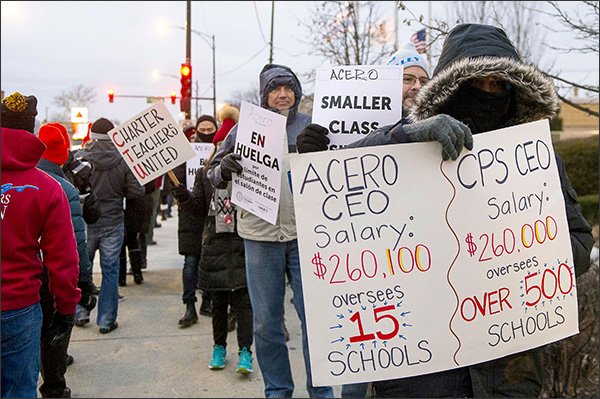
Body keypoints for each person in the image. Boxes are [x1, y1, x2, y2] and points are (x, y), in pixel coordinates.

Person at [297, 23, 594, 398]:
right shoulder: (407, 140)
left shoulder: (533, 159)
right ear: (451, 86)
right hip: (420, 369)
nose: (487, 93)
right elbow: (346, 171)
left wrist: (538, 255)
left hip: (509, 367)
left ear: (514, 91)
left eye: (498, 84)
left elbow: (580, 239)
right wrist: (402, 138)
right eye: (475, 83)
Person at [208, 63, 334, 398]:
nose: (282, 94)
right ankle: (277, 390)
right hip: (260, 237)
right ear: (264, 96)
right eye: (275, 89)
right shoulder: (243, 129)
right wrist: (224, 169)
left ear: (297, 92)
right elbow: (212, 176)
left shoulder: (312, 125)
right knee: (266, 323)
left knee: (315, 321)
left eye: (288, 88)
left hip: (308, 237)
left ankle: (320, 391)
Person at [338, 41, 432, 399]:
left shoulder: (440, 124)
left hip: (418, 259)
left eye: (423, 79)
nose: (416, 86)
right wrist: (313, 153)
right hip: (370, 261)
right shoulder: (360, 129)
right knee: (364, 353)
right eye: (407, 78)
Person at [1, 92, 80, 398]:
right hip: (19, 307)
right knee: (19, 390)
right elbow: (63, 259)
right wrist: (66, 307)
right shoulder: (48, 188)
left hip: (20, 305)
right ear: (31, 130)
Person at [172, 117, 254, 374]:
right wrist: (183, 196)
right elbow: (197, 208)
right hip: (215, 245)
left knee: (243, 304)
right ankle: (219, 348)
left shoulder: (252, 174)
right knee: (218, 304)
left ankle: (245, 352)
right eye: (222, 146)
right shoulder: (204, 175)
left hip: (243, 244)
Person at [35, 123, 97, 397]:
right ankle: (54, 386)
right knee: (55, 331)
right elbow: (74, 245)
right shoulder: (62, 188)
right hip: (50, 278)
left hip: (21, 276)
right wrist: (84, 283)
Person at [74, 117, 145, 333]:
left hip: (85, 222)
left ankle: (80, 311)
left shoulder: (79, 158)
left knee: (81, 269)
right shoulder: (124, 159)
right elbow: (136, 191)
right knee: (111, 271)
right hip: (113, 221)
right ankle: (106, 320)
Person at [170, 121, 212, 327]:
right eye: (201, 130)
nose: (205, 133)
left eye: (209, 130)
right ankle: (189, 306)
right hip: (190, 215)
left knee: (211, 263)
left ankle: (208, 301)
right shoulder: (184, 155)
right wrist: (181, 192)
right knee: (191, 262)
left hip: (213, 215)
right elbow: (176, 181)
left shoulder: (221, 152)